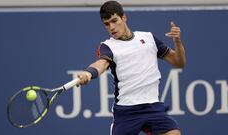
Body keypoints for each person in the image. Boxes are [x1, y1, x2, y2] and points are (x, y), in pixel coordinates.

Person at [76, 1, 186, 135]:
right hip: (126, 112)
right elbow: (101, 64)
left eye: (114, 21)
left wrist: (177, 42)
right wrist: (89, 73)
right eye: (107, 24)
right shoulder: (108, 46)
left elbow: (179, 63)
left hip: (152, 107)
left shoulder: (148, 38)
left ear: (124, 17)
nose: (111, 27)